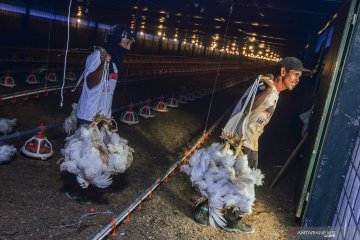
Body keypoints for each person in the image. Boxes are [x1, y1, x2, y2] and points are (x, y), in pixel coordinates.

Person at [193, 57, 311, 233]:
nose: (297, 80)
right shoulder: (266, 87)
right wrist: (268, 90)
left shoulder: (274, 91)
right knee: (228, 176)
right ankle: (207, 211)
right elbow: (247, 108)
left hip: (250, 142)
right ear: (284, 72)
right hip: (240, 141)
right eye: (296, 74)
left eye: (300, 76)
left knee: (239, 180)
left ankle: (230, 217)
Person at [76, 24, 135, 127]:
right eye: (126, 43)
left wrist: (108, 115)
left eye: (130, 44)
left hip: (103, 118)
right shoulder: (98, 56)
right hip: (89, 117)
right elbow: (90, 83)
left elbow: (109, 91)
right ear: (116, 41)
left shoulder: (115, 63)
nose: (128, 48)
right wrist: (102, 64)